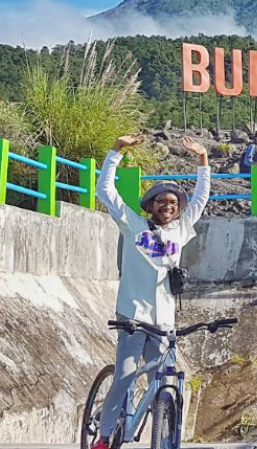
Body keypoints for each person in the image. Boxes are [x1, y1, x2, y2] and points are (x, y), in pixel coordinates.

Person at [91, 134, 210, 449]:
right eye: (162, 202)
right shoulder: (133, 225)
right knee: (125, 375)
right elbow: (104, 190)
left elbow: (200, 199)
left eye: (173, 203)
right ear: (151, 206)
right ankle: (104, 436)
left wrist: (203, 160)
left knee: (162, 380)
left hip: (163, 321)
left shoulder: (180, 231)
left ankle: (160, 429)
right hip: (132, 315)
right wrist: (116, 148)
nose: (168, 206)